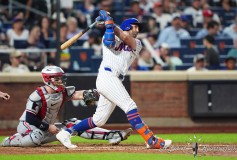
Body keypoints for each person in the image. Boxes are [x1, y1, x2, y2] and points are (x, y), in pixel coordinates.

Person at [56, 10, 172, 149]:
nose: (138, 29)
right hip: (107, 77)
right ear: (128, 26)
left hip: (114, 79)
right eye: (135, 26)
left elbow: (125, 38)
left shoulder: (138, 43)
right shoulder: (109, 34)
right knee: (130, 106)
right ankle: (151, 140)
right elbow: (110, 43)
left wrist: (109, 21)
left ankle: (66, 132)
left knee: (99, 119)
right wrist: (109, 23)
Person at [1, 65, 132, 147]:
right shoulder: (37, 95)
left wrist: (96, 92)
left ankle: (114, 135)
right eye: (57, 78)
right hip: (28, 127)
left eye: (60, 78)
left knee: (73, 125)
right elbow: (30, 118)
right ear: (48, 79)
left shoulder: (62, 91)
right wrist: (48, 126)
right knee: (36, 137)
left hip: (47, 128)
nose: (60, 81)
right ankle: (11, 140)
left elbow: (79, 95)